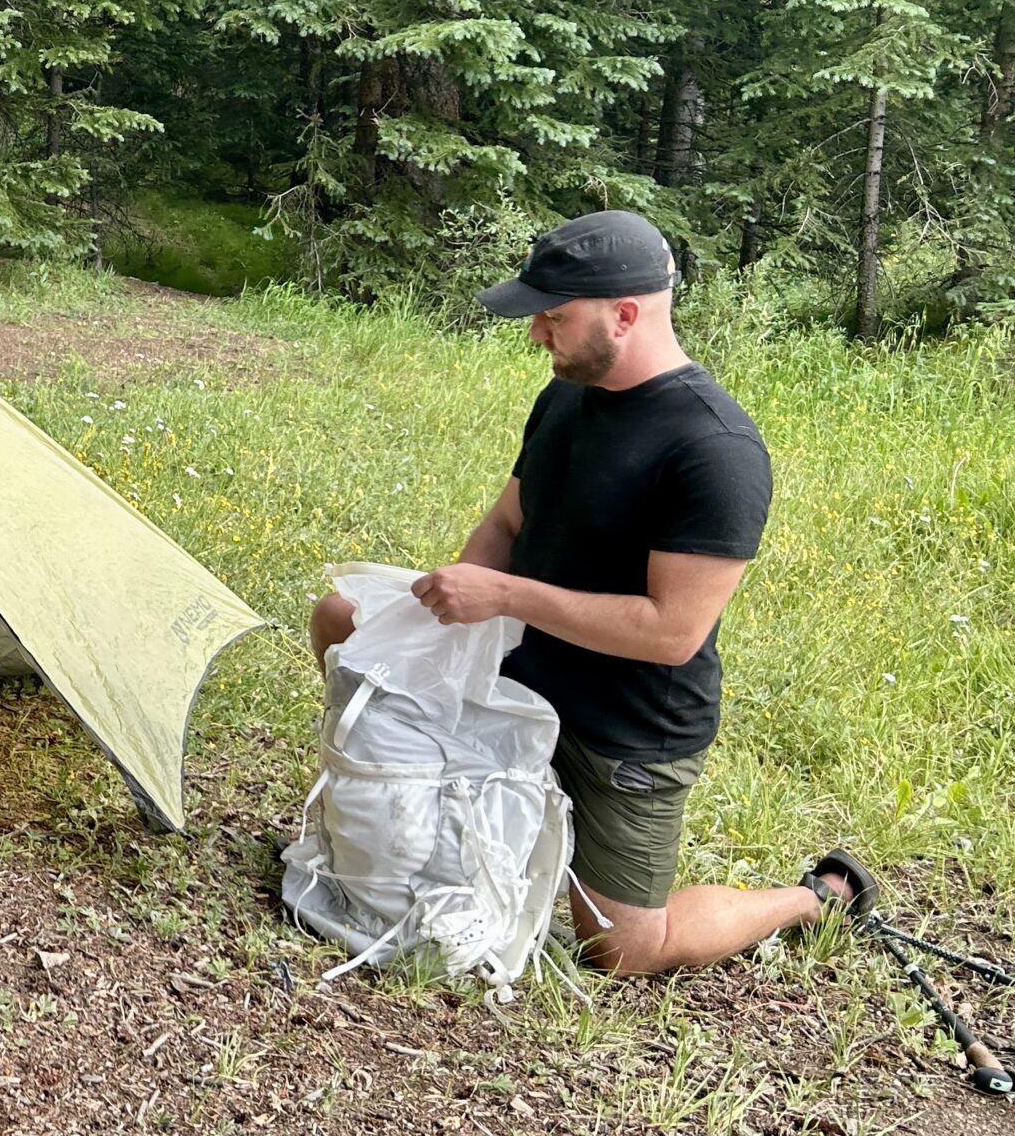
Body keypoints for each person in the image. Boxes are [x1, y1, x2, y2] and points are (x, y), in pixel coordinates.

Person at [308, 211, 875, 976]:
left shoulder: (715, 449)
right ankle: (444, 812)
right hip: (521, 671)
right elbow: (510, 519)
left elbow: (671, 631)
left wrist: (505, 597)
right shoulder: (566, 397)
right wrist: (446, 616)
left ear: (626, 314)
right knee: (343, 621)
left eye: (555, 317)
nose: (538, 333)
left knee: (623, 947)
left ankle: (815, 899)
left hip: (625, 724)